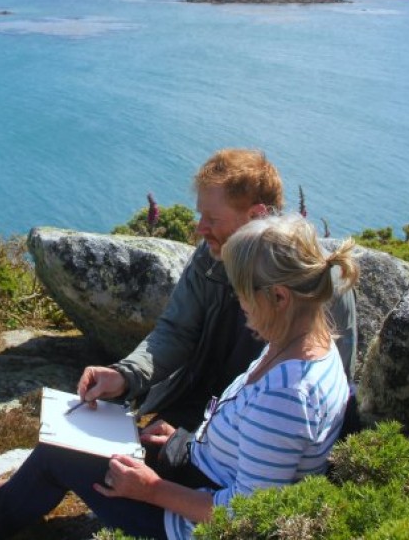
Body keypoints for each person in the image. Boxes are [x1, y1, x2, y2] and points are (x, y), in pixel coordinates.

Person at [0, 214, 357, 539]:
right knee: (85, 442)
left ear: (279, 298)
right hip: (200, 474)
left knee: (61, 451)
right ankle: (14, 496)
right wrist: (184, 443)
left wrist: (151, 489)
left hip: (187, 526)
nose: (239, 303)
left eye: (241, 292)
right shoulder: (300, 344)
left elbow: (249, 516)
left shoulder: (289, 393)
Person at [77, 148, 356, 431]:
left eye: (212, 219)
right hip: (199, 408)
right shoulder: (210, 259)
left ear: (256, 214)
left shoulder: (317, 282)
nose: (200, 228)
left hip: (258, 431)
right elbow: (177, 330)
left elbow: (325, 392)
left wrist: (190, 446)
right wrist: (126, 374)